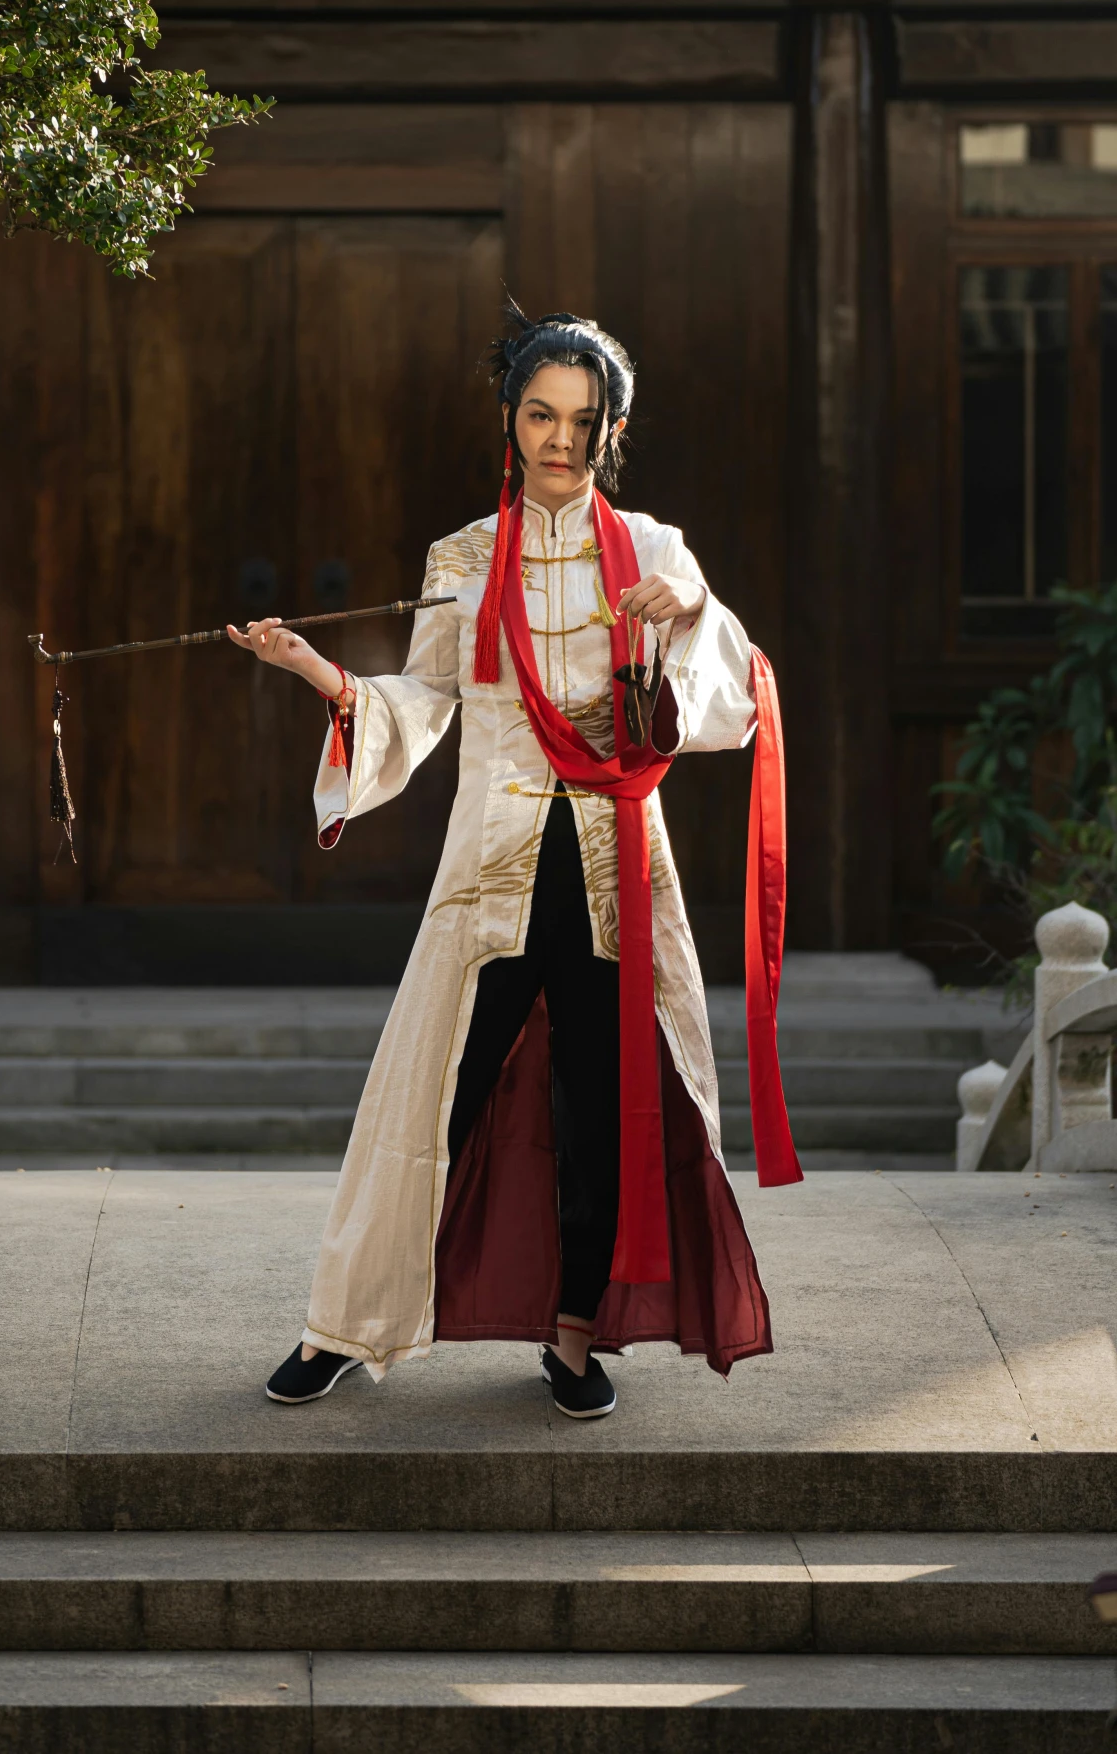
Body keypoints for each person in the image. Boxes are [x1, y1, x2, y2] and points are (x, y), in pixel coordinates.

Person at [229, 304, 797, 1419]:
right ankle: (343, 1323)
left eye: (582, 420)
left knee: (602, 1107)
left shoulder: (659, 554)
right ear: (510, 418)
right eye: (539, 413)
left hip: (613, 869)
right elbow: (429, 700)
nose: (558, 438)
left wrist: (688, 608)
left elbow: (728, 693)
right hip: (486, 866)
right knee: (421, 1098)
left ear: (610, 430)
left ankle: (575, 1341)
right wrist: (327, 681)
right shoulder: (461, 558)